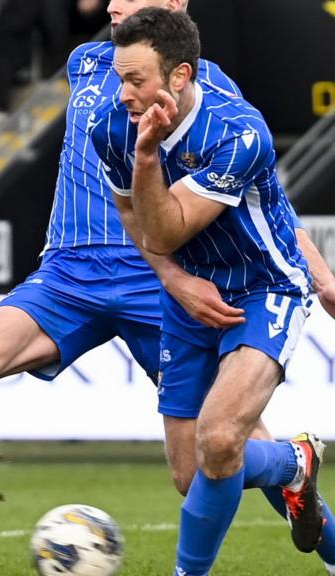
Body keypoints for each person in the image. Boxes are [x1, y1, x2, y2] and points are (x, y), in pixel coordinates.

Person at [0, 0, 335, 570]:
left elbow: (263, 195)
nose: (113, 4)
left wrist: (321, 279)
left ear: (176, 7)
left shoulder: (211, 91)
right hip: (69, 272)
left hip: (159, 282)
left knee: (220, 450)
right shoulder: (84, 63)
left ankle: (317, 517)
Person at [90, 8, 326, 573]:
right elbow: (131, 214)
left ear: (181, 77)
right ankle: (294, 462)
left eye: (135, 80)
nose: (122, 94)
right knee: (191, 475)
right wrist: (173, 280)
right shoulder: (111, 128)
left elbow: (168, 227)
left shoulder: (237, 131)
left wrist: (147, 157)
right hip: (188, 298)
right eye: (120, 78)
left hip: (264, 289)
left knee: (220, 441)